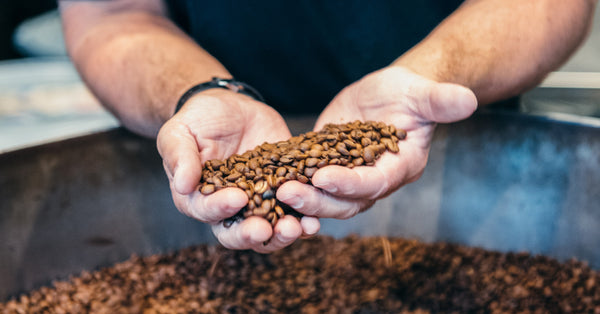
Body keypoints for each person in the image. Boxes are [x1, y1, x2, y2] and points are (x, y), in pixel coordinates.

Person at [58, 0, 596, 253]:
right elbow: (112, 15)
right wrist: (201, 92)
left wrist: (427, 77)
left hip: (475, 172)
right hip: (204, 169)